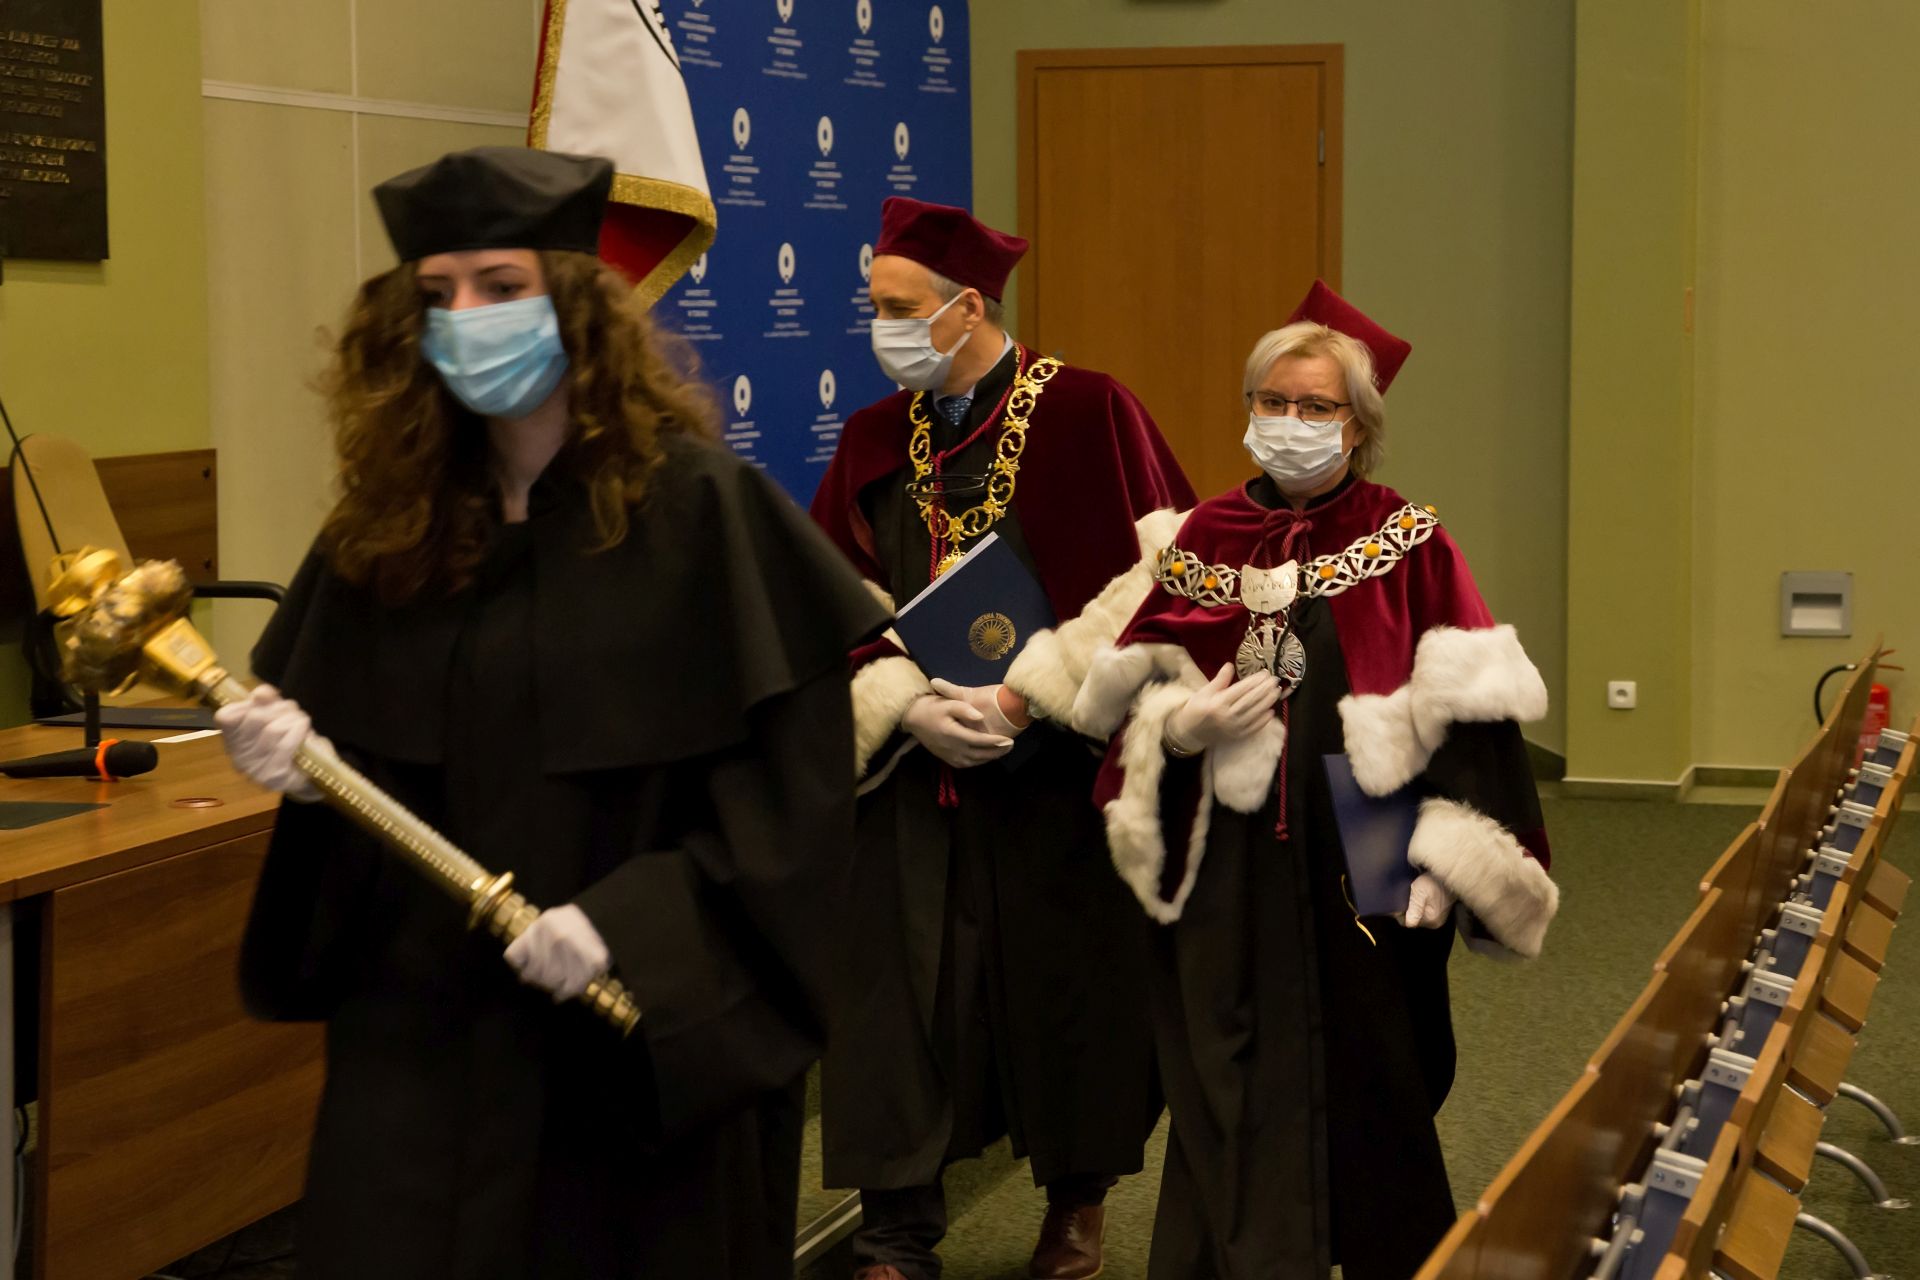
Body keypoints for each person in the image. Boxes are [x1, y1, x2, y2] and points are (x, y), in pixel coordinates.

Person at [214, 146, 887, 1279]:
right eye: (440, 294)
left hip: (629, 1041)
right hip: (421, 1038)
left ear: (575, 304)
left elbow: (793, 807)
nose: (469, 318)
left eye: (501, 285)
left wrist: (633, 923)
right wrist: (308, 770)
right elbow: (363, 789)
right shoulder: (389, 529)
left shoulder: (704, 513)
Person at [1049, 280, 1559, 1278]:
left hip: (1366, 844)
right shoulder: (1202, 540)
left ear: (1358, 425)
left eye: (1316, 405)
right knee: (1224, 1072)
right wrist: (1177, 729)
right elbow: (1122, 708)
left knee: (1377, 1075)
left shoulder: (1407, 539)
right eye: (1272, 400)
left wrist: (1451, 855)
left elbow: (1477, 719)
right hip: (1226, 860)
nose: (1290, 420)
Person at [809, 196, 1195, 1280]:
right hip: (916, 768)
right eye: (875, 306)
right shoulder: (876, 436)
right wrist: (903, 699)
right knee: (900, 996)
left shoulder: (1089, 410)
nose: (880, 329)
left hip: (1056, 766)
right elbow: (829, 593)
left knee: (1071, 987)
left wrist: (1030, 697)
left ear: (967, 307)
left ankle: (1076, 1206)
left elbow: (1163, 576)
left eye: (899, 309)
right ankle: (894, 1232)